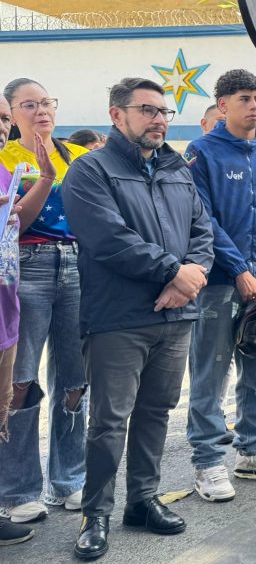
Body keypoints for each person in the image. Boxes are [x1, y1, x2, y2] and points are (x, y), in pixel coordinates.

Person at [62, 78, 214, 559]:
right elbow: (107, 238)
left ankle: (143, 501)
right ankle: (96, 514)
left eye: (164, 111)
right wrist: (174, 272)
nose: (159, 120)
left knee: (156, 412)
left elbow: (202, 232)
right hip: (118, 317)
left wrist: (189, 277)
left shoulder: (176, 168)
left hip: (176, 316)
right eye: (147, 110)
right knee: (109, 421)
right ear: (117, 115)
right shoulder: (90, 170)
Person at [185, 69, 256, 503]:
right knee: (210, 374)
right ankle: (208, 461)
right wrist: (237, 269)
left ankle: (252, 451)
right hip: (218, 283)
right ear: (223, 104)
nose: (254, 106)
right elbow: (203, 218)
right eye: (244, 99)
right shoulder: (201, 152)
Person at [0, 78, 88, 522]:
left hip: (77, 265)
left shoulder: (79, 156)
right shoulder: (5, 157)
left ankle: (69, 480)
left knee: (75, 381)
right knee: (20, 382)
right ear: (12, 114)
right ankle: (17, 490)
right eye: (28, 105)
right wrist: (44, 176)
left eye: (46, 102)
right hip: (26, 265)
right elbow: (19, 222)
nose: (41, 111)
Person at [0, 95, 52, 547]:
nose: (2, 127)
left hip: (6, 312)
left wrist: (47, 177)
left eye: (3, 119)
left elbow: (21, 222)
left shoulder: (6, 172)